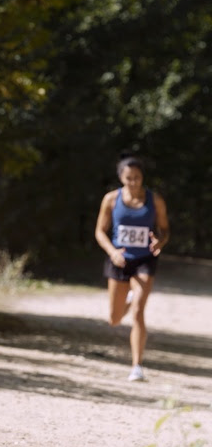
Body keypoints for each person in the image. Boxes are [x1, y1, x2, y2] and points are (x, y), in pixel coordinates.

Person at [94, 154, 169, 382]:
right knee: (115, 319)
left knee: (138, 311)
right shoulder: (110, 199)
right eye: (128, 178)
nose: (133, 182)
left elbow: (165, 230)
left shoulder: (154, 200)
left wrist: (160, 242)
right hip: (119, 260)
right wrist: (113, 252)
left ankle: (137, 366)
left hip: (145, 259)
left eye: (137, 178)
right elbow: (99, 231)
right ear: (121, 178)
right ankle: (127, 301)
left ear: (142, 177)